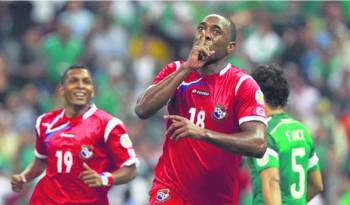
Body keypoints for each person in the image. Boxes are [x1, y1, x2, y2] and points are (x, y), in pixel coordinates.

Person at [135, 14, 267, 205]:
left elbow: (258, 143)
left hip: (216, 197)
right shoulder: (177, 70)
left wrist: (203, 133)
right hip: (170, 189)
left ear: (230, 47)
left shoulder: (242, 84)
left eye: (216, 32)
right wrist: (188, 67)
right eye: (202, 28)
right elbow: (142, 109)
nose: (205, 35)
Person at [11, 65, 139, 205]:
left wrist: (104, 179)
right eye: (74, 81)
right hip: (44, 200)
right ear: (61, 90)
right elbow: (41, 160)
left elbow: (131, 169)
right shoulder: (45, 122)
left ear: (93, 91)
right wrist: (24, 177)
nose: (81, 86)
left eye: (86, 82)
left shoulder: (109, 125)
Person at [247, 64, 323, 205]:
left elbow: (271, 182)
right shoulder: (302, 130)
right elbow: (317, 184)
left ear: (259, 96)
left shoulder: (265, 133)